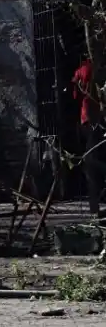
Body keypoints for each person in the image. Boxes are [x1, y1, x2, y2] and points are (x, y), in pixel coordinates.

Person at [72, 56, 104, 216]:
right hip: (93, 120)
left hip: (88, 120)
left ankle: (95, 206)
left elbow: (74, 94)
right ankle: (95, 206)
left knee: (92, 164)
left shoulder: (82, 71)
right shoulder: (93, 70)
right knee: (93, 163)